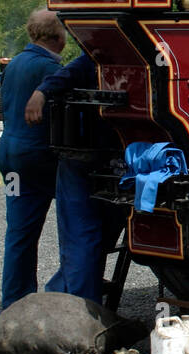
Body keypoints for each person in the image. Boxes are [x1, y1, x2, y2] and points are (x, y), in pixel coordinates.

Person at [25, 52, 124, 305]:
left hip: (87, 156)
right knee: (91, 237)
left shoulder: (92, 56)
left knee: (81, 237)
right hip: (119, 156)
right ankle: (75, 299)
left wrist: (41, 93)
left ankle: (73, 302)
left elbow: (67, 74)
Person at [0, 8, 66, 308]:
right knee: (80, 220)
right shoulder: (49, 69)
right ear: (57, 36)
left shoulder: (14, 64)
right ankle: (66, 288)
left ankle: (15, 301)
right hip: (39, 155)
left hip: (10, 154)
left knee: (19, 233)